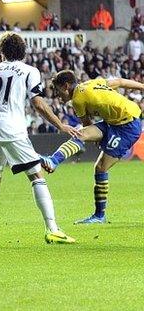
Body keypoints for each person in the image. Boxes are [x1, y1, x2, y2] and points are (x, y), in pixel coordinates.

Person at [0, 32, 78, 247]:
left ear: (2, 53)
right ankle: (53, 229)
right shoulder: (29, 71)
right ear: (23, 52)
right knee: (36, 176)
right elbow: (38, 103)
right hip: (12, 128)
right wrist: (60, 124)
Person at [41, 71, 144, 224]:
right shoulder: (92, 83)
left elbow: (86, 122)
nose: (58, 95)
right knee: (80, 135)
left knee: (101, 168)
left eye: (58, 90)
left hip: (127, 127)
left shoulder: (77, 100)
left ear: (66, 86)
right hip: (115, 120)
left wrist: (97, 138)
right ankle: (53, 161)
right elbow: (121, 81)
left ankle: (99, 216)